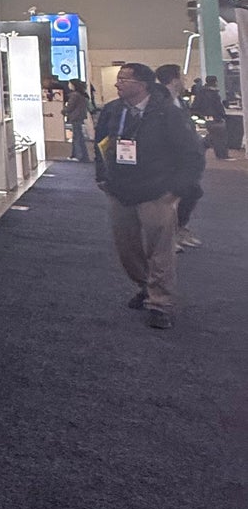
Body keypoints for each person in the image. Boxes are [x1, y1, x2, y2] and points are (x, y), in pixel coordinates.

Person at [93, 61, 202, 330]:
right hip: (120, 190)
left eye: (124, 79)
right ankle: (146, 285)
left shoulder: (168, 114)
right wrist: (103, 177)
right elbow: (101, 144)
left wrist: (176, 190)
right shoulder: (113, 110)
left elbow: (192, 155)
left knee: (160, 250)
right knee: (127, 248)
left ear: (142, 84)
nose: (117, 83)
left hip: (157, 191)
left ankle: (160, 303)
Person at [156, 65, 206, 248]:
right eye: (182, 77)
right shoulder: (160, 101)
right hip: (170, 160)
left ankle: (179, 229)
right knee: (171, 197)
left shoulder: (179, 101)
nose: (185, 80)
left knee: (191, 192)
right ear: (174, 79)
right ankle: (168, 236)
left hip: (187, 158)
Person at [189, 75, 230, 160]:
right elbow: (218, 107)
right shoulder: (214, 94)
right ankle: (222, 155)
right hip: (216, 118)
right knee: (220, 137)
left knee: (213, 136)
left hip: (205, 118)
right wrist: (223, 115)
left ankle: (218, 154)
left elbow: (195, 106)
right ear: (215, 82)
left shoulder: (201, 93)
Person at [63, 82, 92, 162]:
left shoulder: (74, 95)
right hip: (79, 117)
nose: (68, 85)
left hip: (75, 117)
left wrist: (64, 111)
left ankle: (78, 155)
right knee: (79, 136)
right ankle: (81, 155)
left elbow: (70, 107)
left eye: (70, 84)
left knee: (77, 137)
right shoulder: (82, 95)